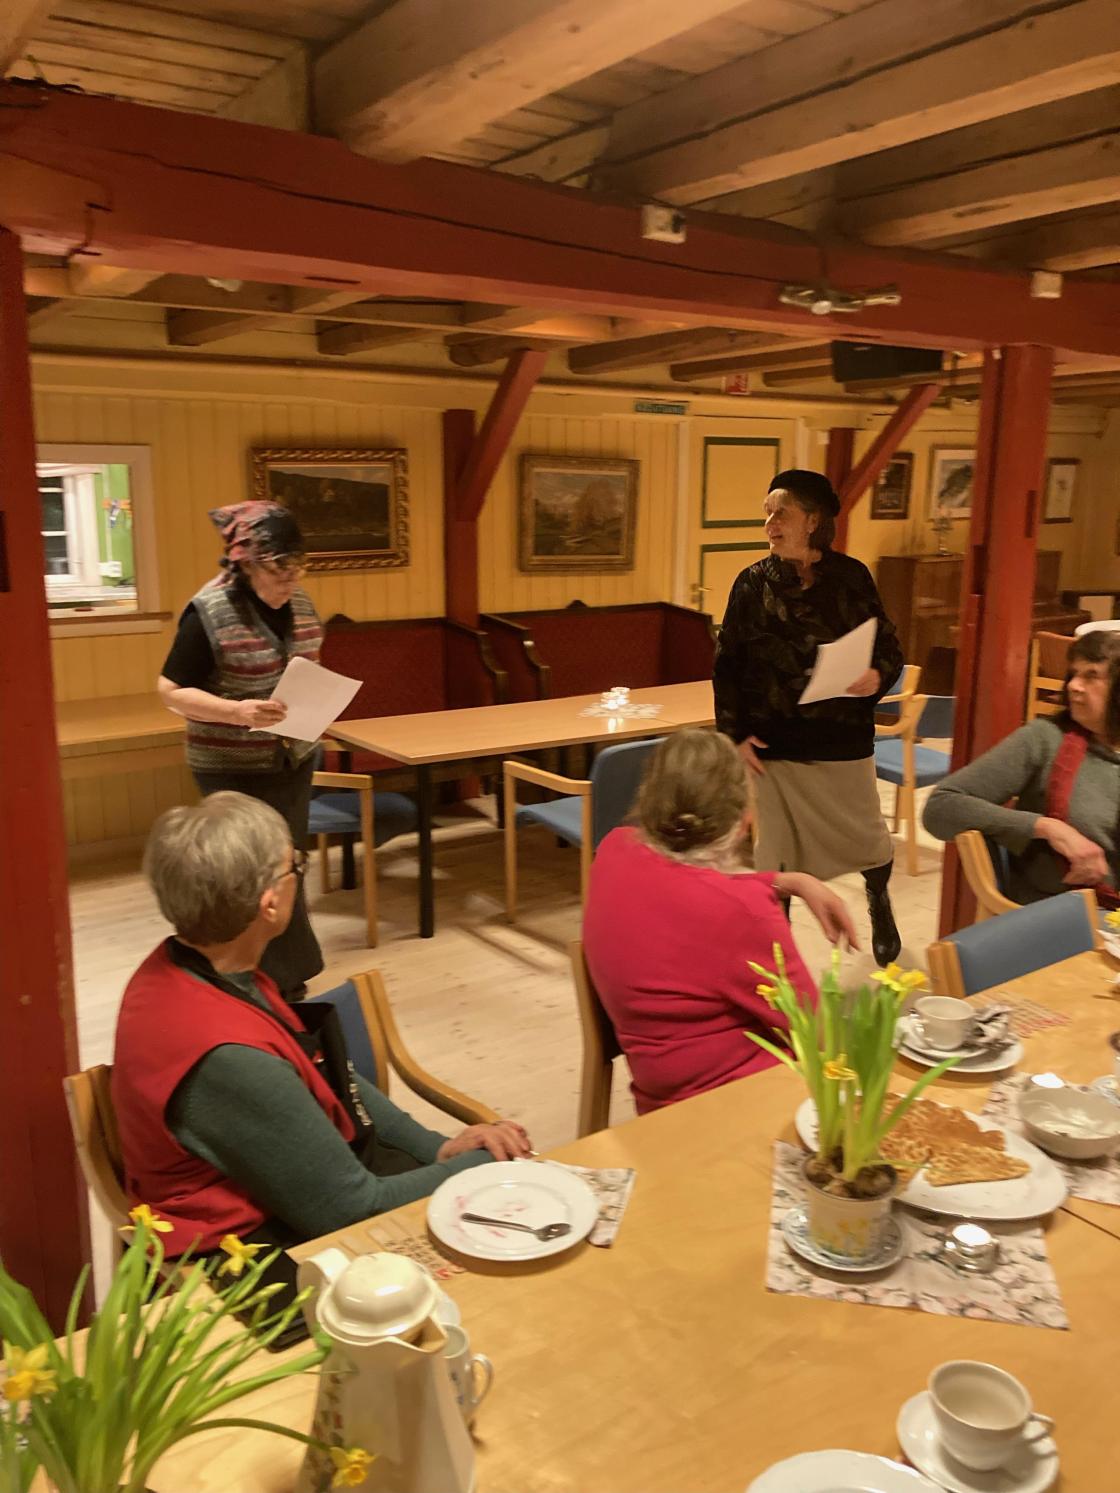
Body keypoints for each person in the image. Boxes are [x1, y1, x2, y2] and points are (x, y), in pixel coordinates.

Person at [113, 793, 532, 1276]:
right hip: (243, 1254)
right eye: (296, 865)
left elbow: (331, 1077)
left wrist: (439, 1150)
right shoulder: (228, 1055)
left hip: (283, 1196)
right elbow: (351, 1210)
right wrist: (483, 1167)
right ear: (270, 904)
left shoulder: (201, 970)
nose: (300, 873)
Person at [582, 730, 859, 1115]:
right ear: (745, 821)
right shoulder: (741, 914)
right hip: (729, 1105)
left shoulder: (614, 849)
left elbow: (686, 887)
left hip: (662, 1087)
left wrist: (787, 881)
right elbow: (817, 1035)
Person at [712, 469, 905, 964]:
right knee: (776, 856)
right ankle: (777, 949)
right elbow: (727, 663)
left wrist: (877, 674)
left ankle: (879, 899)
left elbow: (887, 646)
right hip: (774, 745)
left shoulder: (852, 576)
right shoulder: (752, 583)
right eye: (767, 515)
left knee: (867, 837)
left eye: (781, 514)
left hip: (842, 739)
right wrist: (734, 734)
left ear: (813, 520)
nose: (770, 525)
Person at [158, 501, 323, 999]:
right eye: (278, 567)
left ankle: (286, 980)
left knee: (287, 867)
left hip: (292, 757)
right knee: (245, 877)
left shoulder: (301, 603)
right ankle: (244, 978)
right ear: (245, 563)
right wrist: (237, 712)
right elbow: (171, 691)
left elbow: (306, 667)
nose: (289, 577)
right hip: (232, 764)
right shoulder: (209, 612)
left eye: (298, 565)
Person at [923, 626, 1120, 905]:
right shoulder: (1045, 739)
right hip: (1060, 912)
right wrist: (1047, 827)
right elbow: (940, 808)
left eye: (1091, 676)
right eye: (1074, 674)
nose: (1073, 685)